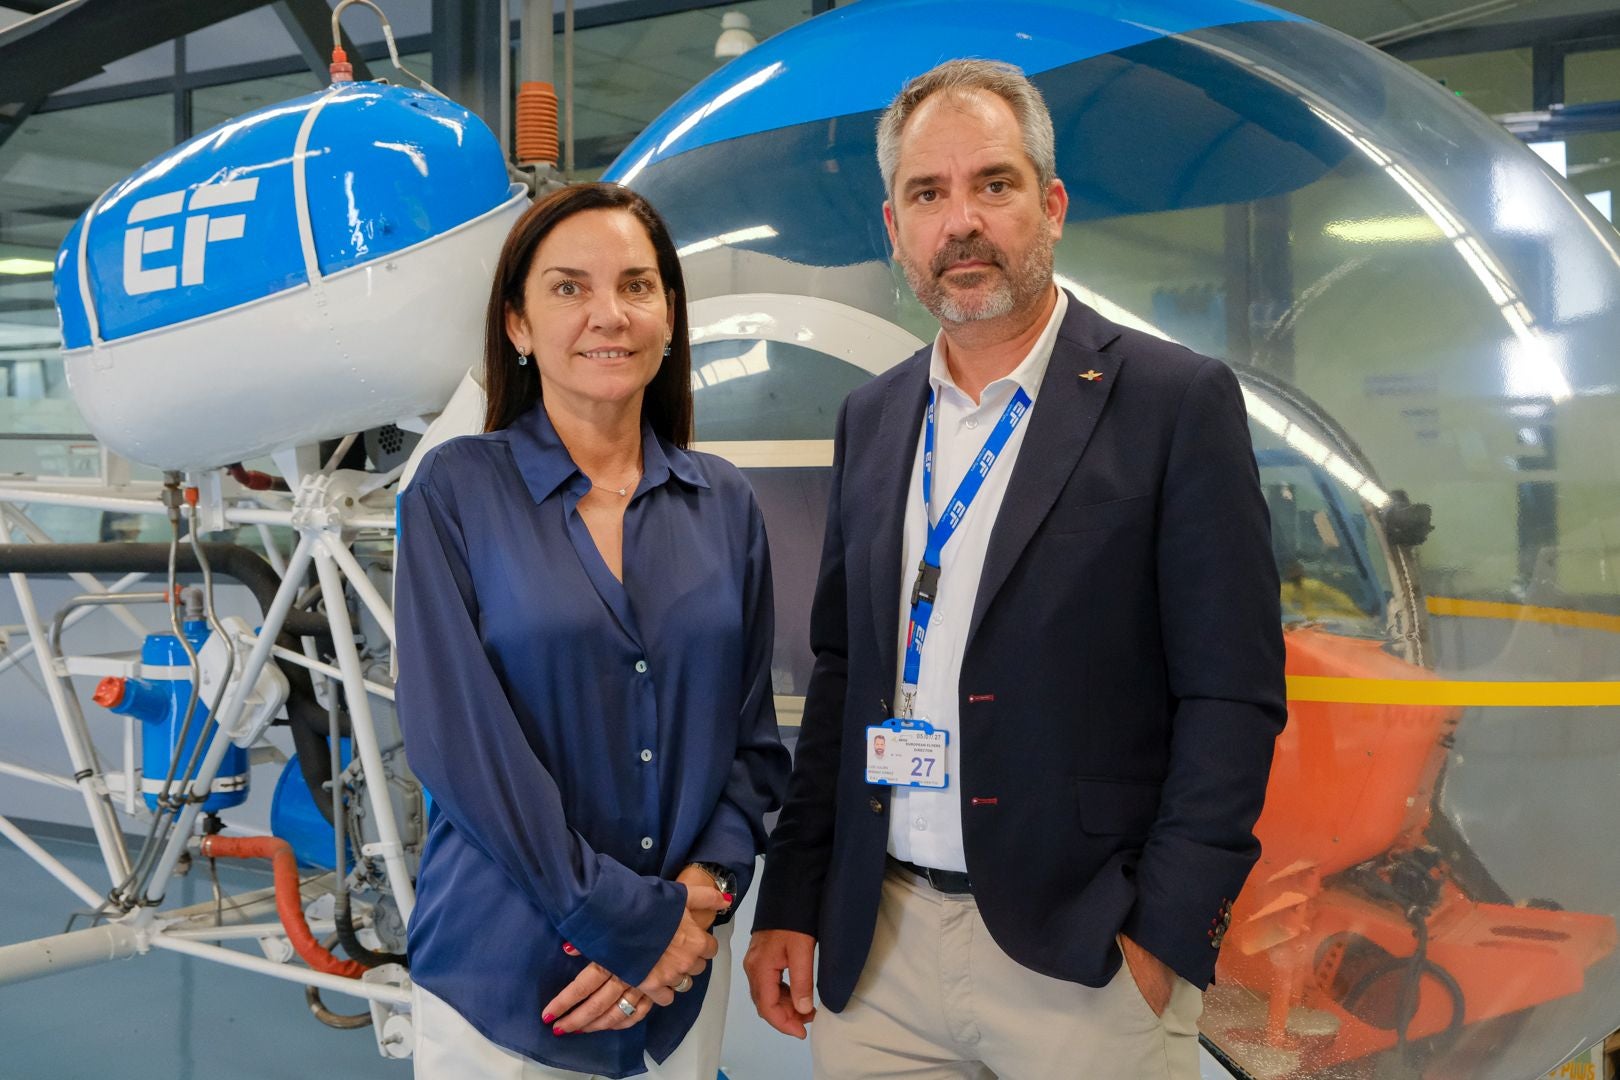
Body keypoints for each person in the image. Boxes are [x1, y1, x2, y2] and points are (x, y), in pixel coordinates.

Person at [743, 59, 1286, 1079]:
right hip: (882, 954)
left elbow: (1233, 694)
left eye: (993, 184)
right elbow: (844, 674)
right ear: (895, 225)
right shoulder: (874, 418)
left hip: (1083, 960)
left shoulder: (1173, 404)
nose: (962, 221)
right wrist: (795, 896)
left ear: (1052, 205)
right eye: (927, 193)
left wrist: (1165, 936)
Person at [395, 182, 790, 1079]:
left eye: (637, 286)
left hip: (680, 974)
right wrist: (629, 923)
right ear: (519, 327)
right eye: (569, 288)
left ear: (668, 314)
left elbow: (752, 749)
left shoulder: (723, 502)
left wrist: (707, 890)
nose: (608, 315)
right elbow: (463, 753)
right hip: (506, 975)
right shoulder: (456, 493)